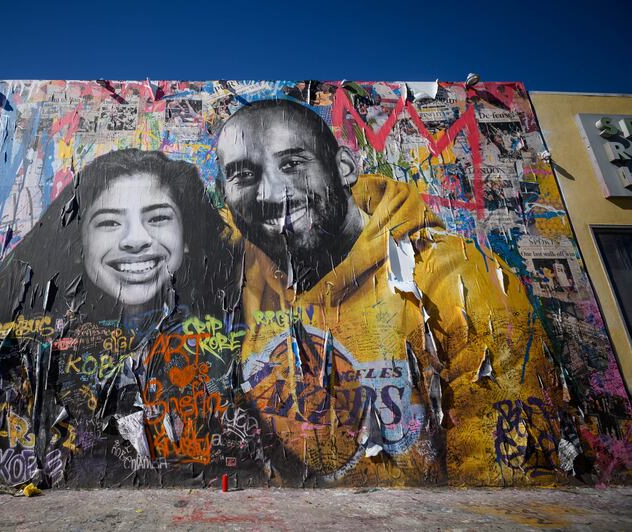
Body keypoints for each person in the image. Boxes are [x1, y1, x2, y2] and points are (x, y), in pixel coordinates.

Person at [215, 99, 562, 485]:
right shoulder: (241, 267)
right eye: (243, 175)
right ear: (226, 197)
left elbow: (500, 488)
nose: (269, 193)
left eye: (293, 164)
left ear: (345, 167)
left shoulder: (457, 281)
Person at [0, 148, 234, 331]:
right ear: (79, 243)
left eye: (157, 218)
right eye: (109, 222)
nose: (135, 240)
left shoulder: (231, 328)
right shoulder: (37, 338)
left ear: (187, 236)